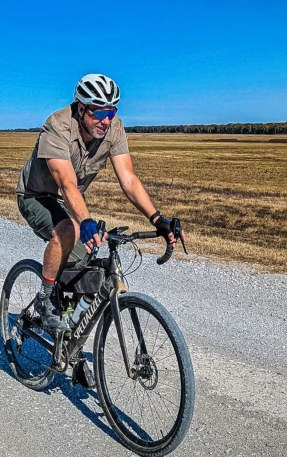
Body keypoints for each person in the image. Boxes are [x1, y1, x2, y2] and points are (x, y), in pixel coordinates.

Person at [16, 74, 182, 337]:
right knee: (69, 229)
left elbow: (128, 179)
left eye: (112, 111)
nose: (106, 120)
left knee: (86, 263)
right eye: (100, 112)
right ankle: (44, 299)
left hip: (68, 199)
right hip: (36, 195)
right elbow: (67, 184)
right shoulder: (57, 126)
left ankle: (68, 331)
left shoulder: (113, 127)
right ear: (81, 108)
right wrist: (85, 221)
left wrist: (157, 218)